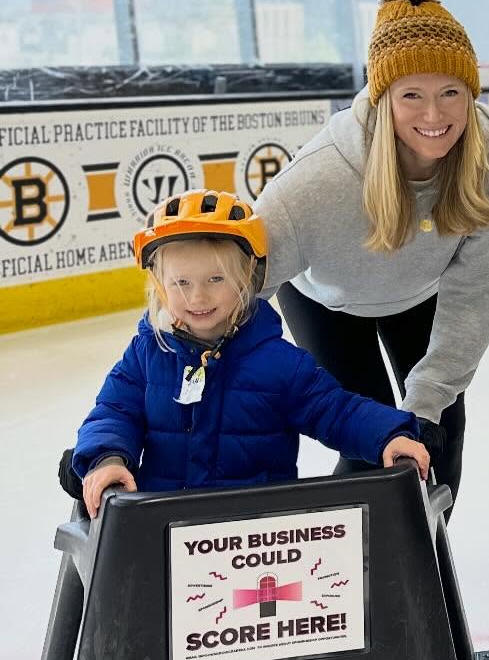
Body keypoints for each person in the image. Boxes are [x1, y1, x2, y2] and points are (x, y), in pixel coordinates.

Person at [257, 0, 489, 506]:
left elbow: (478, 290)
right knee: (368, 443)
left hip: (421, 293)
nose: (435, 116)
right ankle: (344, 570)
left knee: (437, 445)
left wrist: (427, 407)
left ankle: (417, 569)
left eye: (451, 92)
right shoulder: (319, 180)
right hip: (326, 300)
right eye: (412, 96)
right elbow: (234, 296)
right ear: (382, 99)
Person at [71, 192, 430, 520]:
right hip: (166, 530)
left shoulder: (279, 364)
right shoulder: (148, 354)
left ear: (246, 278)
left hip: (256, 538)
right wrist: (107, 457)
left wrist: (390, 435)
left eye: (215, 279)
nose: (197, 298)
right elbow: (115, 411)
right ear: (161, 285)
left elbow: (335, 411)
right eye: (181, 283)